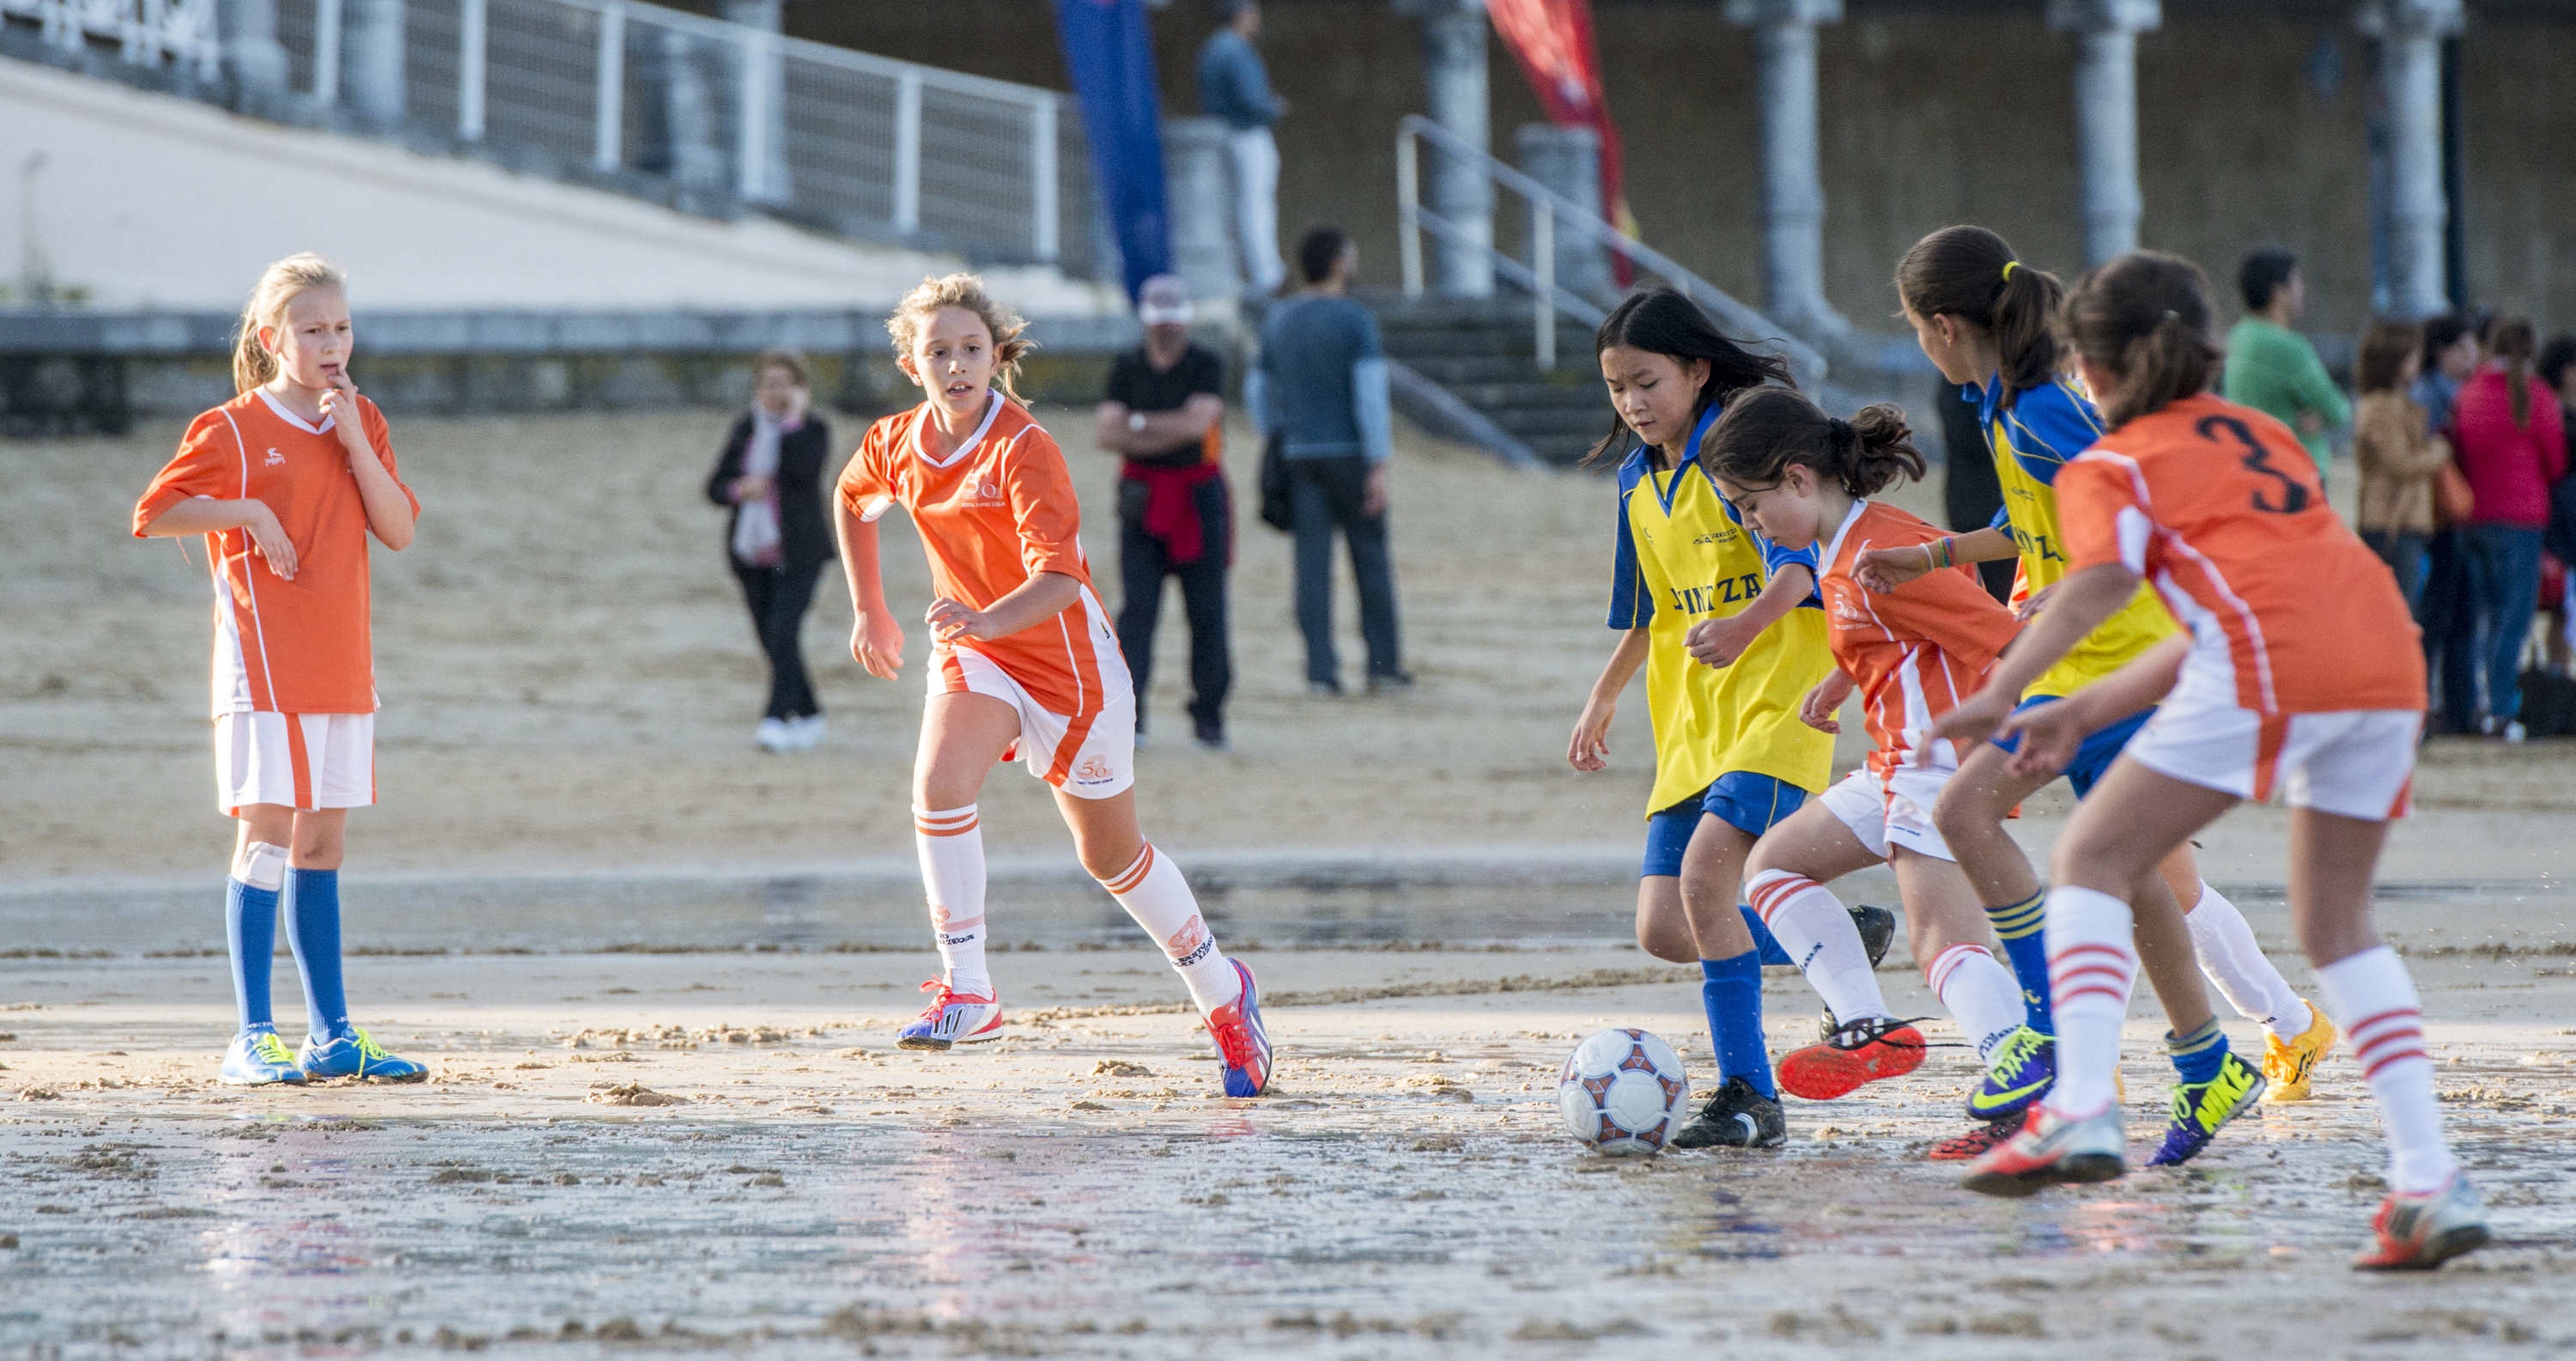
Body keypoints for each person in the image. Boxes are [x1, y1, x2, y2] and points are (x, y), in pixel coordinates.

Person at [1946, 251, 2486, 1273]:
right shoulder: (2264, 432)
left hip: (2270, 657)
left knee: (2094, 862)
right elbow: (2244, 606)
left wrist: (2006, 687)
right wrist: (2090, 707)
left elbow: (2099, 585)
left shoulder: (2110, 461)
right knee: (2338, 926)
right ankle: (2427, 1180)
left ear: (2090, 369)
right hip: (2386, 652)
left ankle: (2083, 1110)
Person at [1875, 227, 2320, 1170]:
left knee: (1970, 811)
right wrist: (1935, 554)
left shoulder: (2038, 410)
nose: (1920, 342)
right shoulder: (2004, 406)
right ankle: (2207, 1064)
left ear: (1946, 326)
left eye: (1916, 327)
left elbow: (2117, 518)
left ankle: (2049, 1027)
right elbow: (2032, 520)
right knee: (2135, 872)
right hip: (2081, 669)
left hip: (2121, 669)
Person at [832, 272, 1272, 1095]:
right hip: (981, 650)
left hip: (1072, 671)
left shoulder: (1023, 446)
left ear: (998, 357)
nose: (956, 365)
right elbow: (852, 500)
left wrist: (986, 620)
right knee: (936, 784)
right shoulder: (896, 440)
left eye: (972, 349)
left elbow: (1061, 580)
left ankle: (1223, 991)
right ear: (910, 363)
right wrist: (872, 610)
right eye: (939, 352)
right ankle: (969, 987)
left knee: (1110, 854)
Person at [1565, 287, 1889, 1151]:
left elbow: (1804, 562)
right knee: (1665, 927)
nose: (1632, 403)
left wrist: (1748, 624)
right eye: (1615, 388)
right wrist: (1602, 696)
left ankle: (1749, 1095)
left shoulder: (1738, 450)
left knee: (1710, 883)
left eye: (1646, 381)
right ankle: (1832, 936)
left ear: (1697, 369)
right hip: (1691, 725)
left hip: (1780, 703)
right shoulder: (1637, 481)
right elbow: (1650, 612)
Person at [1695, 390, 2050, 1145]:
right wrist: (1842, 679)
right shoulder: (1839, 548)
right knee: (1774, 868)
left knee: (1943, 944)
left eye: (1749, 505)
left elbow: (1998, 638)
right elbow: (1897, 636)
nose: (1748, 523)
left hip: (1940, 760)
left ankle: (2028, 1100)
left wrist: (2019, 736)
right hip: (1894, 760)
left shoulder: (1877, 552)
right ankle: (1867, 1026)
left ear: (1797, 479)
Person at [131, 252, 429, 1087]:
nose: (331, 343)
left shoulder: (361, 416)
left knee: (323, 844)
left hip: (342, 662)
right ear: (272, 339)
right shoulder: (229, 427)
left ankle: (332, 1036)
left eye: (340, 327)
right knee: (262, 837)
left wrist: (351, 440)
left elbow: (399, 529)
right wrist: (250, 510)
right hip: (263, 668)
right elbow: (154, 513)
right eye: (311, 329)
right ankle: (252, 1035)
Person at [1252, 227, 1407, 695]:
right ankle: (1382, 668)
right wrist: (1378, 462)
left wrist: (1278, 432)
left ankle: (1321, 671)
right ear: (1340, 262)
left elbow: (1257, 390)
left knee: (1311, 566)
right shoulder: (1355, 319)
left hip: (1299, 455)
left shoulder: (1279, 320)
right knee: (1371, 562)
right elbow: (1369, 397)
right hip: (1350, 455)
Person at [1094, 274, 1234, 750]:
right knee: (1137, 611)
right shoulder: (1127, 365)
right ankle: (1132, 717)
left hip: (1197, 496)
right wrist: (1161, 430)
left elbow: (1199, 425)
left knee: (1208, 609)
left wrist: (1136, 424)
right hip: (1140, 497)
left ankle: (1209, 715)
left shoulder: (1206, 363)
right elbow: (1104, 433)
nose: (1167, 330)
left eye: (1173, 321)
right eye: (1160, 322)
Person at [705, 349, 835, 752]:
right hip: (751, 553)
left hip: (800, 554)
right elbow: (714, 487)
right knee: (773, 640)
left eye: (784, 384)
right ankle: (811, 715)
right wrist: (739, 489)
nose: (773, 392)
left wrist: (793, 423)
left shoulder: (812, 431)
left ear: (799, 389)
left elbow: (803, 472)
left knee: (783, 632)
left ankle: (775, 719)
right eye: (767, 384)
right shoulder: (745, 429)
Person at [2449, 318, 2569, 741]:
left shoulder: (2470, 392)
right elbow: (2555, 462)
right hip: (2521, 519)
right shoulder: (2538, 397)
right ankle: (2501, 708)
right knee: (2514, 619)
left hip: (2473, 517)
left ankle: (2480, 703)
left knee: (2484, 616)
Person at [2222, 247, 2349, 485]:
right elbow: (2338, 411)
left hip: (2248, 466)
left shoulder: (2238, 336)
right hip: (2296, 472)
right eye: (2297, 282)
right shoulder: (2288, 347)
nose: (2302, 290)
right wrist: (2314, 418)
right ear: (2278, 292)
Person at [2352, 319, 2450, 613]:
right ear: (2395, 360)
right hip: (2392, 521)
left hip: (2404, 520)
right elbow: (2400, 463)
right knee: (2398, 612)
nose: (2418, 362)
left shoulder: (2397, 402)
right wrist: (2438, 451)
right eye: (2412, 355)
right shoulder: (2382, 406)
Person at [2414, 313, 2482, 732]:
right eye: (2463, 347)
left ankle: (2458, 708)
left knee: (2461, 613)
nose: (2470, 356)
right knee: (2438, 615)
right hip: (2438, 518)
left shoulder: (2458, 391)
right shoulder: (2429, 395)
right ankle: (2431, 705)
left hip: (2453, 515)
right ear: (2442, 351)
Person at [1195, 0, 1288, 295]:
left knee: (1231, 208)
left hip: (1222, 135)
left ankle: (1234, 273)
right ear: (1241, 16)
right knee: (1256, 207)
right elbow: (1250, 99)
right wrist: (1274, 107)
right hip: (1247, 135)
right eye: (1253, 13)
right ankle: (1267, 274)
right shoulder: (1235, 49)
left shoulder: (1212, 48)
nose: (1256, 19)